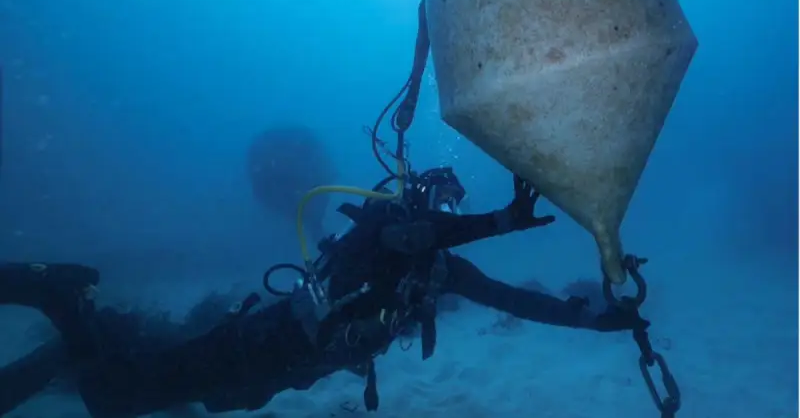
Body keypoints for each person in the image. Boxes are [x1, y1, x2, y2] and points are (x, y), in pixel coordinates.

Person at [0, 167, 649, 418]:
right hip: (259, 344)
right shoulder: (385, 233)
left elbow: (518, 300)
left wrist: (597, 321)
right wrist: (500, 221)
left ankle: (78, 319)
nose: (445, 220)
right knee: (115, 397)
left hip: (278, 370)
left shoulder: (441, 270)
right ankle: (56, 294)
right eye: (442, 206)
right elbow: (418, 234)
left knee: (143, 388)